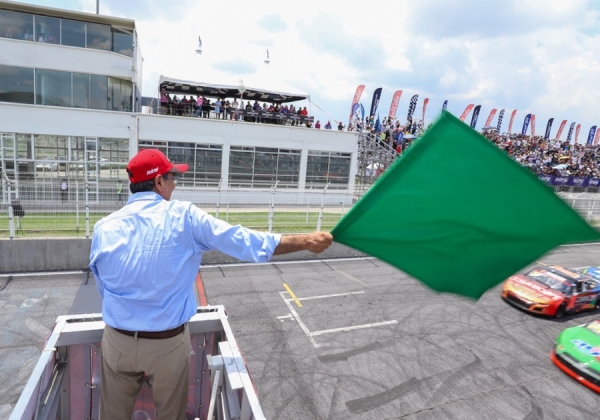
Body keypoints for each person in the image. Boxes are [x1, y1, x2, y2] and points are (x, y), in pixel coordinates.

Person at [89, 149, 332, 420]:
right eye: (171, 178)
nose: (175, 184)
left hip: (118, 341)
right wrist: (304, 241)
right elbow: (240, 240)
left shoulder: (104, 227)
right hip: (166, 343)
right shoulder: (184, 216)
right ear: (158, 182)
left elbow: (103, 287)